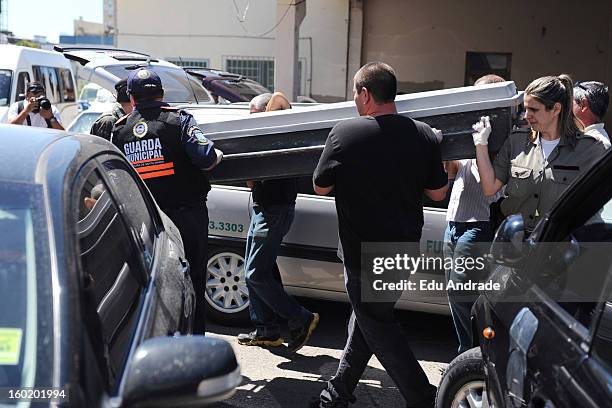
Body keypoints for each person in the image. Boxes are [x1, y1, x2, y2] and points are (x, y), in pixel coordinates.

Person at [312, 62, 448, 408]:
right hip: (403, 249)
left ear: (365, 94)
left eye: (355, 93)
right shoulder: (424, 135)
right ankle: (337, 393)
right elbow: (437, 194)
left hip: (361, 253)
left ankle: (424, 397)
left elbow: (320, 186)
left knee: (377, 327)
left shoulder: (345, 133)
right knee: (368, 324)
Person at [111, 67, 222, 335]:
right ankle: (194, 343)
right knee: (193, 279)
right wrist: (218, 155)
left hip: (146, 221)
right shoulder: (179, 121)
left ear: (132, 99)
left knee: (153, 282)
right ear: (161, 94)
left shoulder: (120, 130)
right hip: (187, 218)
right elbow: (206, 159)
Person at [474, 74, 609, 232]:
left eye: (534, 109)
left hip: (560, 246)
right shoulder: (516, 142)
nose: (526, 116)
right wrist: (480, 144)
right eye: (525, 109)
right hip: (515, 245)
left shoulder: (592, 148)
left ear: (556, 109)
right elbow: (489, 188)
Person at [238, 91, 319, 352]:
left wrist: (262, 120)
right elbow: (251, 183)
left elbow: (280, 97)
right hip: (263, 209)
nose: (250, 121)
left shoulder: (282, 133)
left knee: (255, 274)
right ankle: (266, 330)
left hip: (274, 211)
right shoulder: (260, 140)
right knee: (258, 272)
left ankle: (301, 317)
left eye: (254, 116)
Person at [443, 74, 505, 355]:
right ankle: (467, 354)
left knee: (460, 292)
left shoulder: (494, 137)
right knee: (455, 293)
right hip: (453, 222)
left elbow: (488, 185)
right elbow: (454, 174)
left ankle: (472, 354)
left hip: (478, 224)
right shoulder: (473, 133)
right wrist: (448, 150)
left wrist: (478, 144)